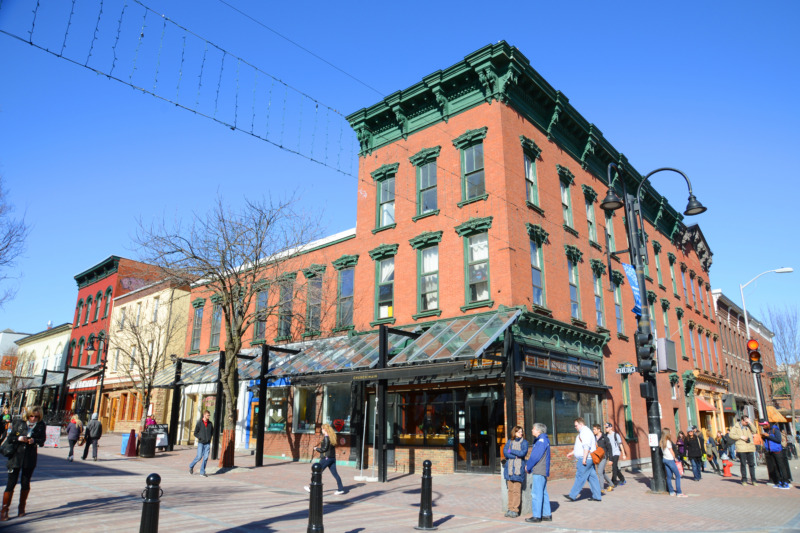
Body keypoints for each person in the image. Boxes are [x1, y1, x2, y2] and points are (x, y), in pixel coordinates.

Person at [1, 405, 46, 521]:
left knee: (25, 483)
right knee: (11, 483)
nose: (33, 419)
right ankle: (4, 510)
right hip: (16, 456)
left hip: (29, 458)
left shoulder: (41, 425)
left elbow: (42, 441)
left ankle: (22, 508)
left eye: (36, 416)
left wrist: (34, 440)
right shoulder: (19, 423)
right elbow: (10, 438)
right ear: (28, 415)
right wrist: (19, 439)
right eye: (31, 416)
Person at [565, 417, 602, 502]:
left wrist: (584, 459)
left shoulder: (585, 432)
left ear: (581, 424)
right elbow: (581, 447)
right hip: (589, 458)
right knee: (592, 477)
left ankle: (572, 495)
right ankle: (597, 496)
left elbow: (586, 446)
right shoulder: (585, 432)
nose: (575, 427)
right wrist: (572, 453)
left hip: (586, 458)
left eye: (576, 425)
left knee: (580, 476)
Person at [304, 424, 346, 495]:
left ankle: (312, 488)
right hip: (332, 458)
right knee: (335, 474)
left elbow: (324, 449)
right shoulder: (332, 437)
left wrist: (316, 449)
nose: (322, 430)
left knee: (317, 472)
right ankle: (340, 489)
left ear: (325, 430)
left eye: (322, 429)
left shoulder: (326, 437)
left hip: (326, 458)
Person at [525, 423, 551, 523]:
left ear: (539, 431)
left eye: (533, 429)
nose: (532, 430)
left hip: (539, 470)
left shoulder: (541, 441)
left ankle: (536, 516)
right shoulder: (544, 440)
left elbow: (535, 457)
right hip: (542, 470)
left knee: (536, 493)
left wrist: (528, 466)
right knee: (543, 492)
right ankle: (546, 514)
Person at [502, 425, 528, 518]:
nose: (521, 433)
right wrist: (515, 456)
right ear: (514, 432)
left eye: (521, 431)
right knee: (510, 491)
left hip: (518, 470)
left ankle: (515, 510)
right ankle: (509, 509)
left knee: (517, 491)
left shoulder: (524, 442)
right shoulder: (509, 441)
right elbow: (505, 452)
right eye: (519, 431)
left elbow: (522, 453)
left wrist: (511, 451)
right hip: (509, 470)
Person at [729, 415, 757, 486]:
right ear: (742, 420)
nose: (746, 423)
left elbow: (755, 431)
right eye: (745, 421)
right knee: (743, 464)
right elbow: (731, 435)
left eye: (747, 421)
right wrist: (740, 437)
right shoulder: (736, 426)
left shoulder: (749, 425)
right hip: (741, 448)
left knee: (751, 464)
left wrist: (750, 423)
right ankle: (744, 479)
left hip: (750, 447)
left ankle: (753, 480)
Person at [761, 422, 790, 489]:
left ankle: (785, 482)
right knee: (775, 467)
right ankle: (778, 481)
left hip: (777, 450)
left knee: (781, 466)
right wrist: (763, 437)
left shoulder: (775, 430)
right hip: (771, 450)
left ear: (768, 424)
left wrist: (768, 436)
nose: (763, 427)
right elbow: (768, 441)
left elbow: (778, 440)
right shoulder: (768, 431)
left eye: (764, 425)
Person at [660, 427, 687, 497]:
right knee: (677, 475)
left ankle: (671, 491)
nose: (671, 433)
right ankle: (679, 492)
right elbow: (671, 451)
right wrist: (675, 457)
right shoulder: (668, 441)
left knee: (669, 476)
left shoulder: (661, 441)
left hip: (665, 459)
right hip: (670, 459)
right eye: (670, 432)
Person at [189, 410, 213, 477]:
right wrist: (200, 437)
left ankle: (202, 472)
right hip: (201, 443)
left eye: (209, 415)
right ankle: (191, 466)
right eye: (208, 415)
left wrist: (209, 438)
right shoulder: (199, 423)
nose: (209, 416)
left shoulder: (210, 424)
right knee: (199, 456)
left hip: (207, 443)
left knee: (205, 458)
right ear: (204, 415)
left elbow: (212, 432)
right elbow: (195, 433)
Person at [592, 424, 613, 493]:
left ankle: (601, 489)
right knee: (602, 472)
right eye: (593, 429)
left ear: (599, 430)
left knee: (599, 472)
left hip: (604, 457)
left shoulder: (605, 438)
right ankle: (611, 484)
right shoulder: (593, 437)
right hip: (597, 457)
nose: (593, 431)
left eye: (595, 429)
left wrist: (610, 459)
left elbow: (610, 449)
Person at [605, 422, 626, 487]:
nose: (606, 429)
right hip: (610, 454)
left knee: (614, 467)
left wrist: (623, 454)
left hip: (616, 453)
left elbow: (620, 444)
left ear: (611, 427)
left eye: (607, 427)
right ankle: (622, 479)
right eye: (605, 427)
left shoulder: (616, 435)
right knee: (615, 468)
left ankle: (613, 482)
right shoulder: (606, 436)